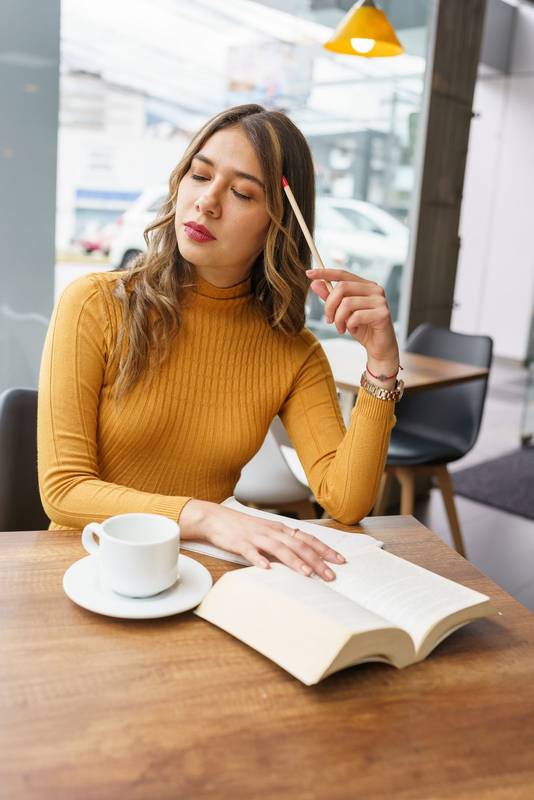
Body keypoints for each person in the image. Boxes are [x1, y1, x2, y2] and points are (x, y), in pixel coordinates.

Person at [38, 103, 402, 583]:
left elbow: (347, 502)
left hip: (197, 580)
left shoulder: (293, 352)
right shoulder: (95, 304)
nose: (207, 201)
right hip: (86, 571)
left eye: (242, 193)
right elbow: (64, 490)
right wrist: (209, 516)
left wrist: (381, 364)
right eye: (199, 174)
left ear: (278, 225)